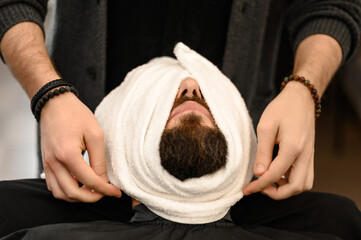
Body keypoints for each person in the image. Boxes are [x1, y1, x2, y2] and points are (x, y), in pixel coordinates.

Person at [0, 0, 360, 237]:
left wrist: (304, 86)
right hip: (76, 135)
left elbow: (329, 5)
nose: (190, 83)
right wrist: (48, 93)